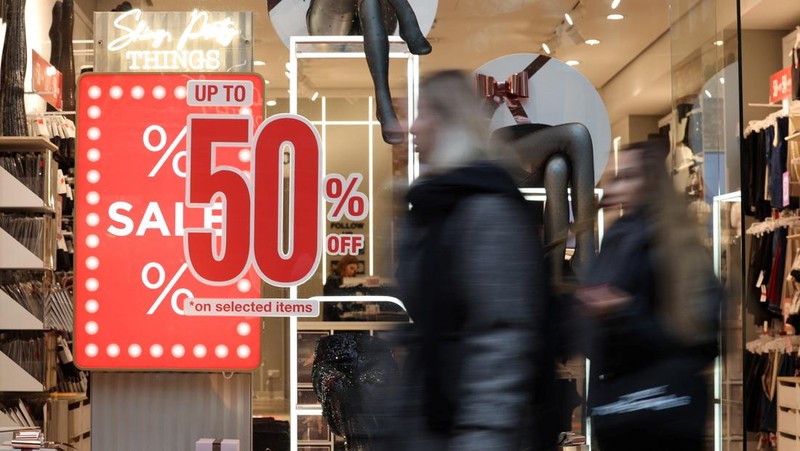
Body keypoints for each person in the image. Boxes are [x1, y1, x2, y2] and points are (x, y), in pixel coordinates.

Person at [383, 70, 559, 450]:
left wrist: (482, 437)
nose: (412, 127)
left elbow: (503, 336)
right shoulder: (435, 205)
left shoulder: (485, 207)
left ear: (448, 121)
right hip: (435, 421)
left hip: (471, 429)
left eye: (422, 113)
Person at [576, 138, 722, 451]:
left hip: (660, 414)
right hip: (620, 413)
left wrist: (622, 311)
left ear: (650, 182)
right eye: (618, 176)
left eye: (628, 176)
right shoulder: (617, 239)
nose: (618, 185)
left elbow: (701, 340)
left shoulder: (676, 246)